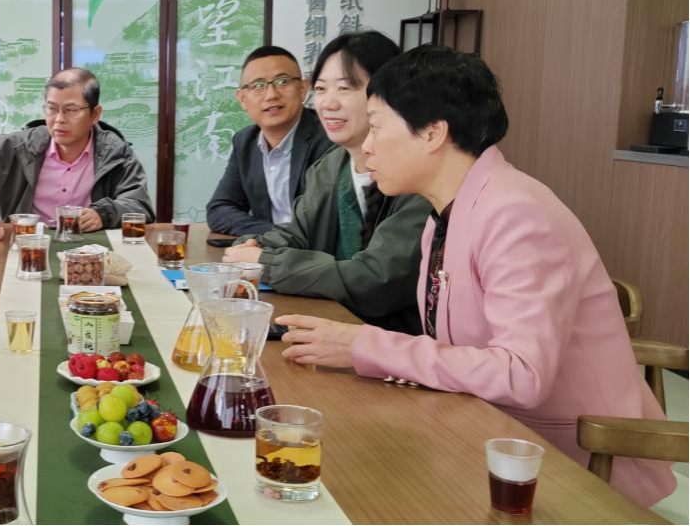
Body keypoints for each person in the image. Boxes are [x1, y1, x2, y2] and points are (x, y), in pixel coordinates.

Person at [277, 45, 674, 508]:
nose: (366, 146)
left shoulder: (516, 213)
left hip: (568, 464)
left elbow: (521, 374)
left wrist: (366, 346)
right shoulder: (445, 213)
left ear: (432, 132)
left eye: (378, 127)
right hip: (485, 433)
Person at [224, 31, 427, 334]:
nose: (328, 103)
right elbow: (296, 234)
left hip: (398, 343)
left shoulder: (417, 176)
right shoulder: (330, 167)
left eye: (345, 88)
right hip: (334, 327)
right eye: (321, 89)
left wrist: (267, 261)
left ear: (389, 94)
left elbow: (377, 278)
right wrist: (255, 246)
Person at [0, 67, 154, 229]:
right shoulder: (19, 147)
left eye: (71, 110)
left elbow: (139, 206)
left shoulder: (115, 152)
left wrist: (104, 214)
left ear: (95, 114)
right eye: (52, 109)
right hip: (25, 245)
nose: (59, 119)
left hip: (90, 250)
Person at [206, 46, 333, 237]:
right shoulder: (245, 142)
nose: (271, 94)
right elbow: (219, 209)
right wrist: (275, 235)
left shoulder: (328, 138)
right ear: (243, 99)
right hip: (270, 249)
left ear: (303, 89)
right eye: (258, 85)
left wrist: (280, 237)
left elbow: (321, 223)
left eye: (283, 82)